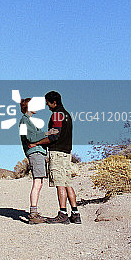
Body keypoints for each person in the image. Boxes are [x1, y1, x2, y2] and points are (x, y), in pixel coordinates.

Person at [28, 90, 81, 224]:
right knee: (67, 183)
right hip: (67, 152)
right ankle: (75, 213)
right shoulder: (67, 115)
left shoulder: (57, 115)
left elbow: (54, 136)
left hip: (57, 152)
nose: (47, 106)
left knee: (60, 183)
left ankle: (63, 213)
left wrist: (37, 143)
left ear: (54, 102)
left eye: (48, 103)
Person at [19, 98, 48, 224]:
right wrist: (47, 133)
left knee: (39, 182)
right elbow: (30, 138)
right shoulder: (24, 120)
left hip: (37, 152)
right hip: (35, 153)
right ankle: (33, 214)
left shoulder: (28, 121)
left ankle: (34, 212)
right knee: (37, 182)